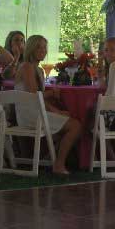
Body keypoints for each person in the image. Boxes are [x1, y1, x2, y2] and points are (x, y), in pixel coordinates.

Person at [14, 35, 81, 175]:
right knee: (75, 126)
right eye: (39, 47)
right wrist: (52, 97)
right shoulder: (26, 66)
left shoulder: (37, 69)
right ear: (31, 49)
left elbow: (38, 98)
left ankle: (48, 158)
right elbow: (34, 95)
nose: (43, 50)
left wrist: (56, 111)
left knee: (70, 121)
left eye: (45, 47)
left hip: (35, 112)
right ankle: (59, 164)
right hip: (30, 115)